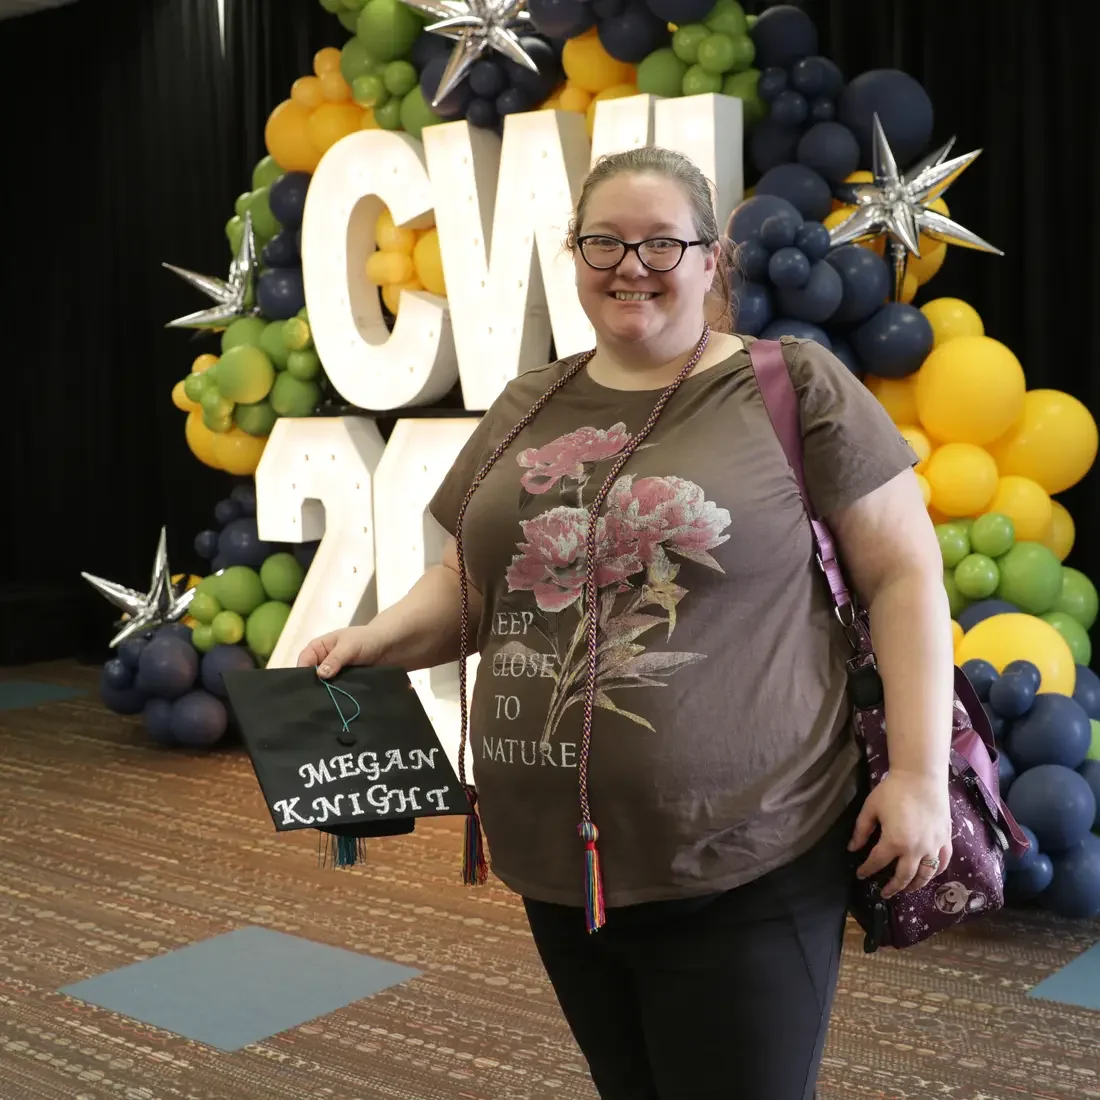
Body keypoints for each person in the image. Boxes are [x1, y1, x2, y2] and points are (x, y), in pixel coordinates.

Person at [298, 147, 955, 1100]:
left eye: (661, 241)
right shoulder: (530, 402)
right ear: (573, 254)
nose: (630, 264)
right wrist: (375, 638)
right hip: (558, 860)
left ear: (711, 258)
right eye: (603, 241)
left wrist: (918, 774)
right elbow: (473, 585)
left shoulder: (791, 385)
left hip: (746, 850)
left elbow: (905, 577)